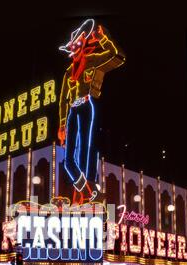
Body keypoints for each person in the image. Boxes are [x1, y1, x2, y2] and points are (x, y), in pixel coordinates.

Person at [58, 19, 125, 203]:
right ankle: (86, 191)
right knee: (69, 160)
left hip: (87, 106)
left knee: (87, 150)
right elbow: (63, 100)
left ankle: (88, 189)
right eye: (72, 46)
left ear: (84, 45)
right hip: (72, 111)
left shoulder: (93, 60)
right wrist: (62, 123)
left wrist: (103, 39)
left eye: (78, 44)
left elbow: (118, 56)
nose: (74, 49)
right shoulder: (68, 72)